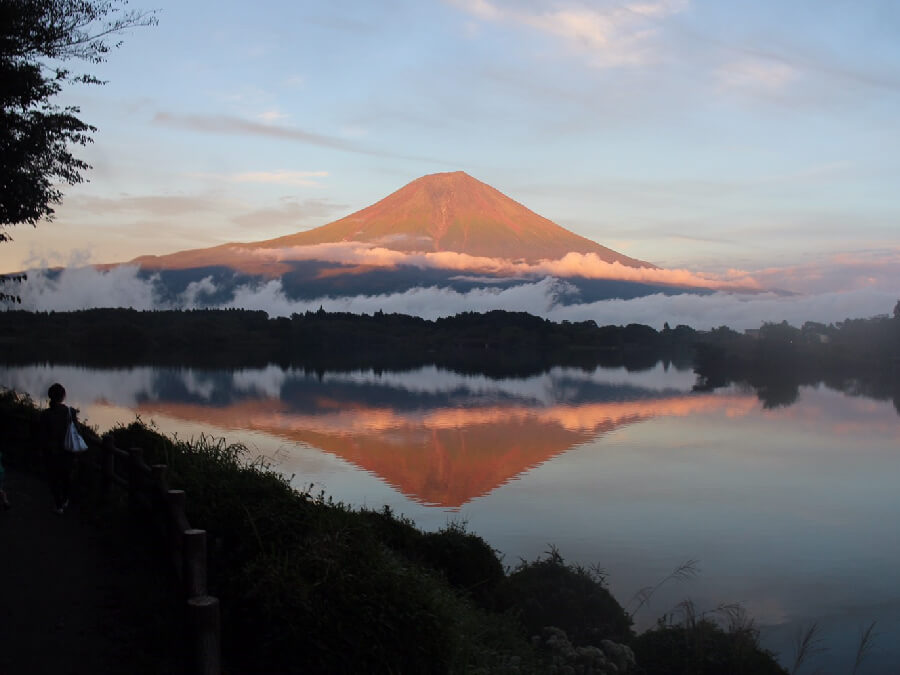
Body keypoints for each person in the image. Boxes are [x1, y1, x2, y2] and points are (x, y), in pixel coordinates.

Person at [40, 382, 77, 514]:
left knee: (54, 478)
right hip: (67, 451)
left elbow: (42, 434)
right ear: (63, 396)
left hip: (51, 451)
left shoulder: (45, 414)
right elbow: (76, 431)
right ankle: (65, 499)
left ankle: (58, 504)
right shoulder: (70, 412)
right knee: (66, 476)